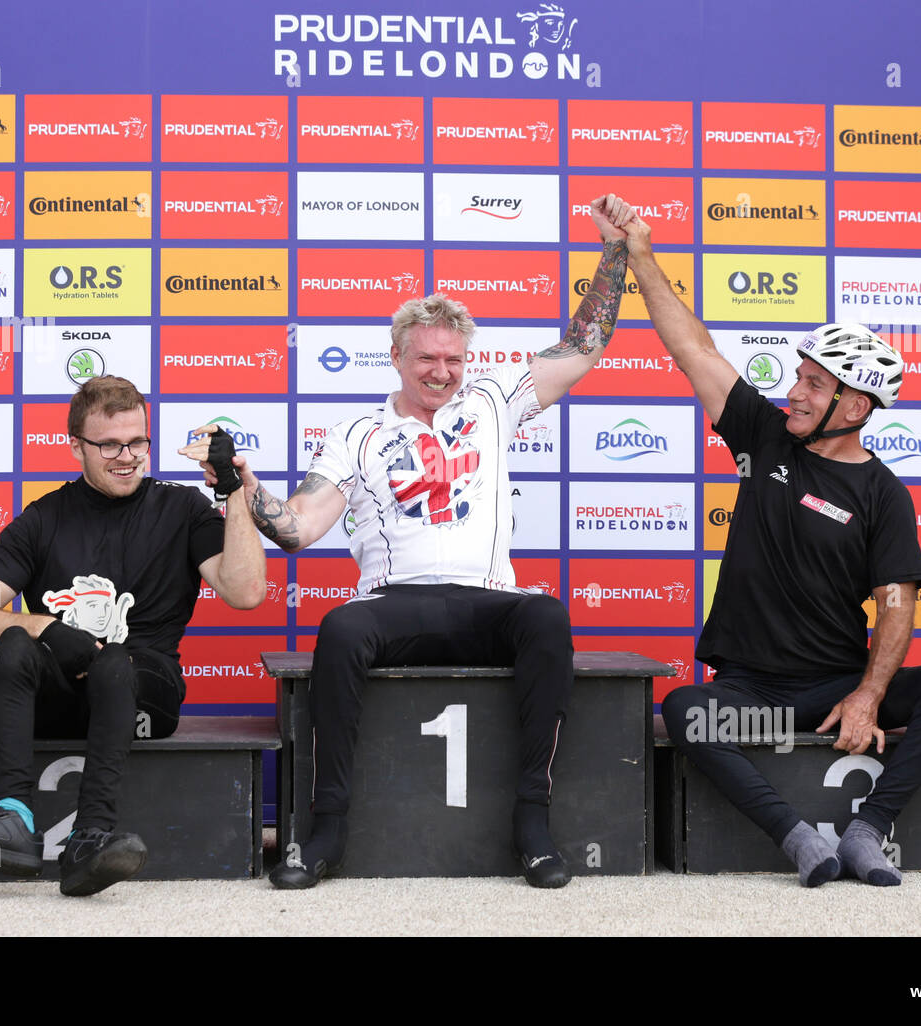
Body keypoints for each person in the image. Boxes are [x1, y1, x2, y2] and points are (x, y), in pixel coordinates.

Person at [199, 195, 637, 889]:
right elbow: (300, 528)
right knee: (340, 627)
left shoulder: (494, 400)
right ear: (397, 356)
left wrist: (614, 252)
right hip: (393, 604)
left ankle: (533, 823)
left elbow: (584, 343)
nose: (442, 371)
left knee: (547, 616)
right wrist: (245, 487)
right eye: (428, 358)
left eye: (455, 360)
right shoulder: (357, 434)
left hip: (487, 600)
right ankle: (329, 831)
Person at [624, 212, 921, 887]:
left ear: (854, 407)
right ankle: (798, 840)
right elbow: (693, 347)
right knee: (684, 710)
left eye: (816, 384)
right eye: (800, 376)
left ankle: (870, 830)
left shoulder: (883, 494)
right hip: (755, 694)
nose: (796, 391)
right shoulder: (764, 437)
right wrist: (640, 253)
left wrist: (870, 694)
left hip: (836, 688)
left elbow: (897, 604)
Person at [0, 375, 266, 896]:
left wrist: (232, 491)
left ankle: (90, 838)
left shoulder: (182, 509)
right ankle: (13, 821)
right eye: (108, 445)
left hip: (148, 694)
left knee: (113, 662)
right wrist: (45, 628)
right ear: (75, 446)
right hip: (62, 697)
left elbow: (246, 591)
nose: (126, 456)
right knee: (14, 642)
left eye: (137, 442)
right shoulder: (44, 519)